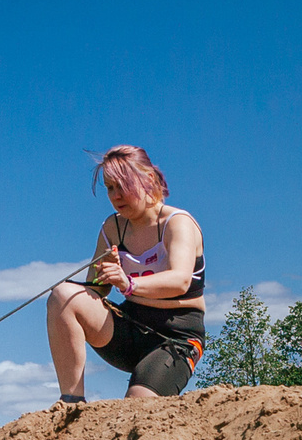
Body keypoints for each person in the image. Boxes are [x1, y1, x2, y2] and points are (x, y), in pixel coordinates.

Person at [45, 145, 208, 403]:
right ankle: (71, 402)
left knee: (135, 405)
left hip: (175, 335)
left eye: (122, 186)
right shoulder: (112, 227)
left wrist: (128, 283)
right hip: (130, 326)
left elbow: (180, 281)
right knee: (63, 295)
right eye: (110, 188)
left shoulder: (178, 222)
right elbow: (95, 290)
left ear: (149, 179)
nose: (116, 195)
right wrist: (103, 273)